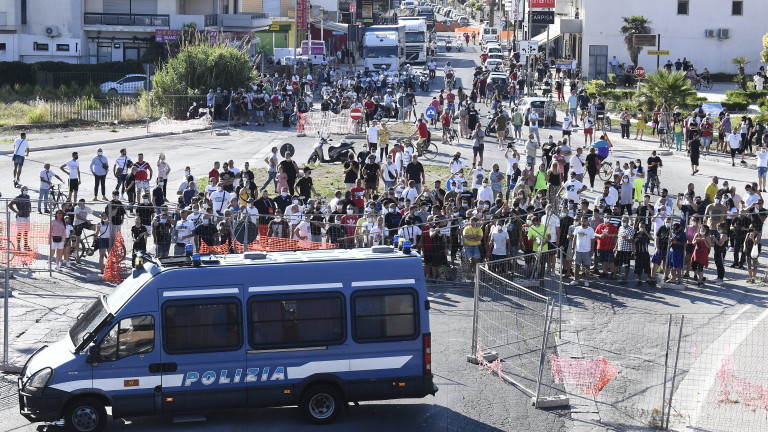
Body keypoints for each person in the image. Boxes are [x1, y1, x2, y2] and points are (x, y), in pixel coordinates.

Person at [570, 216, 595, 287]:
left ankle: (586, 280)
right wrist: (573, 248)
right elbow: (574, 239)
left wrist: (592, 250)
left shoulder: (590, 230)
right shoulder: (577, 228)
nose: (583, 223)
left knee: (587, 266)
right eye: (582, 221)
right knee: (576, 266)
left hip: (587, 251)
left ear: (587, 222)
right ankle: (575, 280)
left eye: (584, 221)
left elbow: (592, 241)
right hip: (578, 250)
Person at [9, 186, 32, 252]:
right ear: (21, 190)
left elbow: (29, 202)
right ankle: (18, 246)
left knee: (26, 231)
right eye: (24, 190)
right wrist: (16, 212)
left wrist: (30, 208)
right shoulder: (18, 198)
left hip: (27, 216)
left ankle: (25, 245)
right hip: (20, 217)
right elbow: (10, 205)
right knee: (19, 232)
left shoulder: (28, 196)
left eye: (26, 190)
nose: (25, 191)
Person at [665, 222, 686, 287]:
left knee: (678, 267)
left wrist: (677, 242)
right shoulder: (672, 232)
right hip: (671, 250)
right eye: (674, 230)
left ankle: (679, 280)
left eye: (676, 230)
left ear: (679, 228)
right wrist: (670, 239)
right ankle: (673, 279)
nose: (675, 231)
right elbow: (669, 238)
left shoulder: (683, 234)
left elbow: (685, 244)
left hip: (678, 252)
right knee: (671, 266)